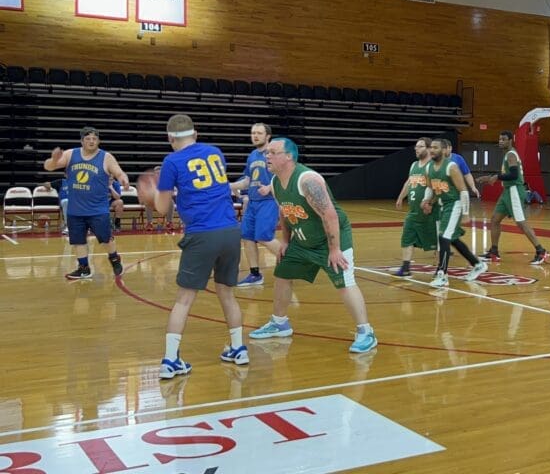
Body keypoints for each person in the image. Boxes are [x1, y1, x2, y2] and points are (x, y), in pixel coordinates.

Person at [136, 114, 248, 379]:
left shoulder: (171, 160)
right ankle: (238, 349)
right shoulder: (215, 152)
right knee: (227, 294)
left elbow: (164, 209)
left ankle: (170, 360)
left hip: (202, 233)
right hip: (231, 230)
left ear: (169, 138)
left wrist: (152, 197)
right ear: (195, 134)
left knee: (184, 300)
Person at [248, 137, 378, 354]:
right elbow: (285, 212)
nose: (266, 156)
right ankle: (279, 323)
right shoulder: (275, 182)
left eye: (272, 152)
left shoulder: (307, 180)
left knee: (344, 281)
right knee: (282, 274)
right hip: (302, 240)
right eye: (266, 153)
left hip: (331, 239)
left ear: (288, 156)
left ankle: (366, 332)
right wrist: (286, 241)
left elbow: (331, 216)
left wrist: (335, 250)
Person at [43, 126, 129, 280]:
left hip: (98, 209)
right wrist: (54, 159)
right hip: (76, 209)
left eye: (94, 138)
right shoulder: (71, 154)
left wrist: (123, 178)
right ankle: (84, 268)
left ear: (99, 141)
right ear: (82, 141)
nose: (91, 141)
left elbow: (117, 171)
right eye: (88, 138)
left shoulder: (106, 157)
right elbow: (48, 167)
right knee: (78, 241)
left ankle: (114, 259)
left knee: (106, 238)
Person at [421, 138, 488, 288]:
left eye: (436, 147)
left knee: (443, 237)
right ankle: (477, 264)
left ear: (444, 151)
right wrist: (426, 201)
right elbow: (430, 188)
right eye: (431, 147)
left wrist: (465, 213)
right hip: (442, 205)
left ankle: (442, 275)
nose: (432, 150)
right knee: (452, 239)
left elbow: (463, 191)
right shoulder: (428, 168)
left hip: (455, 204)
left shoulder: (451, 167)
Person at [477, 130, 550, 265]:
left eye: (503, 139)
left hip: (514, 191)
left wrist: (496, 177)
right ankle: (494, 251)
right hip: (507, 192)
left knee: (521, 223)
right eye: (499, 139)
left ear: (510, 141)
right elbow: (507, 174)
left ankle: (541, 251)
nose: (501, 141)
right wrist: (491, 177)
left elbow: (514, 175)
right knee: (495, 220)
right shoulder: (507, 155)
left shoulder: (511, 155)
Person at [230, 123, 281, 286]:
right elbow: (247, 181)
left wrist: (270, 187)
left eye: (259, 133)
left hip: (269, 201)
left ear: (268, 136)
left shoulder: (274, 154)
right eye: (253, 133)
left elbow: (285, 176)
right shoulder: (252, 155)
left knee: (264, 236)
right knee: (247, 236)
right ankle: (255, 274)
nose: (255, 136)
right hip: (252, 203)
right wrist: (229, 186)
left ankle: (292, 262)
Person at [395, 137, 438, 277]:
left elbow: (437, 188)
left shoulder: (432, 166)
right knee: (407, 237)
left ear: (428, 148)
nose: (416, 149)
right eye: (416, 146)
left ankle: (440, 270)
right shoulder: (414, 165)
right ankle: (406, 267)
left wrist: (430, 203)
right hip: (413, 212)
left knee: (437, 242)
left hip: (430, 212)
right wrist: (401, 197)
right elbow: (408, 183)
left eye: (420, 146)